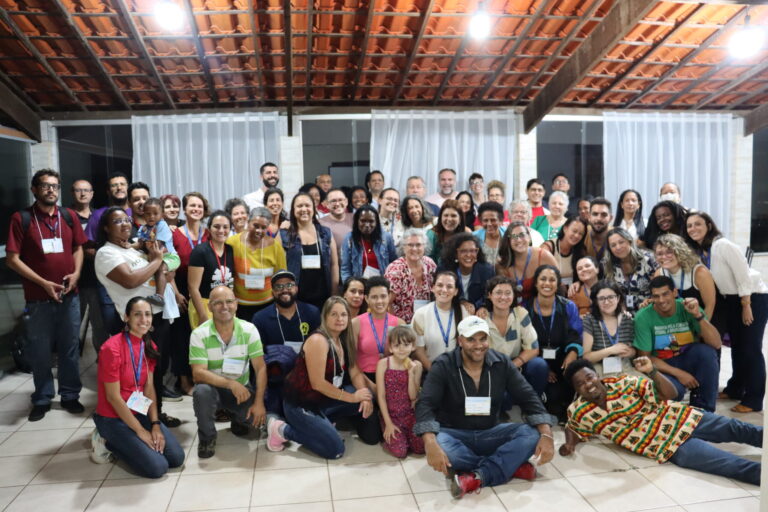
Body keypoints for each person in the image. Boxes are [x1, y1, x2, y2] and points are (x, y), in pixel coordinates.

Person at [413, 316, 555, 499]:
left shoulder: (502, 363)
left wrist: (546, 434)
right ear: (460, 340)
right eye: (471, 339)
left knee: (532, 434)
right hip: (454, 434)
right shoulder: (443, 365)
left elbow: (528, 397)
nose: (478, 345)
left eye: (483, 339)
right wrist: (430, 443)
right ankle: (510, 466)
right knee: (441, 444)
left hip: (491, 432)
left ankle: (476, 476)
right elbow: (426, 404)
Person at [561, 357, 762, 485]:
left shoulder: (625, 382)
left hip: (681, 417)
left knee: (738, 428)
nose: (588, 385)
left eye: (589, 378)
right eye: (580, 384)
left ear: (597, 375)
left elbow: (670, 394)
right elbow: (573, 427)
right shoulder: (579, 411)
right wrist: (570, 444)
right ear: (576, 390)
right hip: (666, 445)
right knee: (730, 464)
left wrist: (652, 372)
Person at [6, 169, 85, 421]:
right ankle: (42, 398)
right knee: (39, 350)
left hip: (69, 296)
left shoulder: (68, 216)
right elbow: (12, 259)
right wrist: (42, 282)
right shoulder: (22, 219)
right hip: (38, 298)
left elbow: (78, 248)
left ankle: (70, 394)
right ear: (34, 189)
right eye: (45, 185)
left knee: (70, 347)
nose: (51, 190)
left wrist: (76, 274)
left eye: (55, 186)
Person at [94, 207, 180, 427]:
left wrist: (160, 265)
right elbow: (130, 280)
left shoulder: (132, 249)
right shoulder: (106, 253)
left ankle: (155, 415)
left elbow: (160, 270)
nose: (124, 224)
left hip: (156, 317)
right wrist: (157, 261)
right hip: (136, 323)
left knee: (156, 371)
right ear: (106, 227)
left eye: (126, 220)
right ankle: (136, 419)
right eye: (117, 221)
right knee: (136, 373)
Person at [266, 296, 382, 458]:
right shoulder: (318, 340)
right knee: (335, 450)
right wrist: (351, 397)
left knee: (362, 403)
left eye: (343, 314)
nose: (339, 319)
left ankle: (321, 424)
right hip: (301, 404)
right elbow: (318, 384)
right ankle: (281, 430)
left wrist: (363, 395)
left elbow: (354, 370)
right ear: (325, 316)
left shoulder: (343, 338)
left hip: (324, 399)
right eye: (334, 314)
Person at [92, 297, 185, 477]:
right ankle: (106, 441)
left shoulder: (148, 345)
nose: (144, 320)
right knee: (157, 468)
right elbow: (113, 397)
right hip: (113, 417)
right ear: (126, 317)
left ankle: (131, 439)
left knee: (176, 458)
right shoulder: (111, 348)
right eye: (137, 314)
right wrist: (141, 431)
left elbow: (149, 388)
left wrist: (155, 424)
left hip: (138, 410)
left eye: (148, 314)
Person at [686, 212, 767, 412]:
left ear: (709, 225)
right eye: (689, 226)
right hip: (732, 299)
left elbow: (743, 273)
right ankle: (736, 389)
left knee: (750, 349)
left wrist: (746, 303)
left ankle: (754, 399)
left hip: (751, 297)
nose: (693, 229)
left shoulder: (722, 245)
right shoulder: (704, 250)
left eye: (698, 224)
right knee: (738, 347)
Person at [190, 286, 268, 458]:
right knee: (201, 392)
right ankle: (207, 437)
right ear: (209, 307)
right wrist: (230, 384)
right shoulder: (199, 333)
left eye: (229, 302)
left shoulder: (249, 330)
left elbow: (260, 367)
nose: (224, 307)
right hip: (213, 389)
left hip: (242, 390)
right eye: (218, 303)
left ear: (236, 304)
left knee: (256, 423)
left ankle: (238, 420)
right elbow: (198, 373)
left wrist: (259, 402)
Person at [633, 275, 721, 412]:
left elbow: (716, 344)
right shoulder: (643, 317)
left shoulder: (688, 307)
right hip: (663, 365)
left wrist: (698, 315)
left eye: (665, 294)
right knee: (675, 393)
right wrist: (679, 373)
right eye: (656, 296)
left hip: (688, 358)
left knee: (707, 353)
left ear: (674, 292)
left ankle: (705, 411)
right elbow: (646, 358)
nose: (661, 300)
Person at [525, 265, 582, 422]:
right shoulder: (525, 308)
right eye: (543, 279)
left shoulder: (568, 306)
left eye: (552, 280)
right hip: (536, 361)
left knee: (577, 368)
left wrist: (572, 354)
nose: (547, 283)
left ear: (557, 285)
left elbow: (575, 333)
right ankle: (534, 407)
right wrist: (546, 368)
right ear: (536, 283)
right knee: (541, 371)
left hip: (562, 359)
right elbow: (524, 342)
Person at [483, 276, 547, 397]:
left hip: (517, 364)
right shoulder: (482, 318)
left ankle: (534, 402)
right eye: (498, 293)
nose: (503, 297)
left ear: (514, 297)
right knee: (505, 399)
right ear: (489, 295)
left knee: (539, 365)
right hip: (492, 368)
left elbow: (533, 348)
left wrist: (512, 366)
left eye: (508, 293)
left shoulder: (520, 314)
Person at [228, 206, 286, 321]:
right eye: (255, 225)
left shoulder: (275, 247)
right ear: (248, 222)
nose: (259, 230)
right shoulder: (232, 243)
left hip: (267, 305)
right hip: (240, 306)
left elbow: (281, 277)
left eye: (263, 227)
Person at [281, 193, 339, 309]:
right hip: (296, 298)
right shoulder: (284, 235)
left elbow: (334, 265)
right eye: (299, 206)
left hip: (323, 296)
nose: (304, 209)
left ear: (313, 209)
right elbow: (281, 267)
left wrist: (334, 293)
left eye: (307, 205)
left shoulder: (325, 233)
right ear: (293, 210)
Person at [376, 326, 424, 458]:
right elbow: (380, 395)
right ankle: (390, 435)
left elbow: (413, 396)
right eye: (397, 345)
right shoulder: (383, 364)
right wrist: (389, 423)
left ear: (413, 346)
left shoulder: (417, 365)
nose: (402, 349)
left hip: (409, 414)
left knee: (420, 448)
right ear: (390, 348)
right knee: (401, 451)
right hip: (391, 415)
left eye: (406, 344)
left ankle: (407, 436)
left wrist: (411, 373)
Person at [71, 179, 107, 354]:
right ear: (73, 193)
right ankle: (68, 360)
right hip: (74, 279)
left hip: (97, 279)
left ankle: (102, 362)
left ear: (92, 194)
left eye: (86, 190)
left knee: (99, 326)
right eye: (78, 190)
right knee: (71, 324)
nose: (83, 193)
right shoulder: (66, 216)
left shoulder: (99, 216)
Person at [351, 276, 405, 388]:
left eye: (383, 296)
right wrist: (372, 387)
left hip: (392, 377)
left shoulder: (399, 323)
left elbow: (404, 358)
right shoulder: (356, 323)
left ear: (389, 296)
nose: (379, 301)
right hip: (365, 378)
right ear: (366, 298)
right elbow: (352, 363)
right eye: (374, 297)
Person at [188, 211, 236, 330]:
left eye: (225, 227)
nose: (221, 230)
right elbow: (192, 287)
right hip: (205, 305)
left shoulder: (231, 250)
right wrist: (202, 315)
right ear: (209, 228)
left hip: (227, 306)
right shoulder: (200, 252)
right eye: (216, 226)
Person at [252, 269, 321, 351]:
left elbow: (319, 346)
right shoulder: (260, 319)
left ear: (296, 289)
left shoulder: (312, 312)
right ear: (273, 292)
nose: (284, 290)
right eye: (278, 286)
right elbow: (258, 353)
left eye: (289, 285)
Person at [412, 271, 468, 370]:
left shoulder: (464, 313)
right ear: (432, 288)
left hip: (457, 371)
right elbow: (418, 349)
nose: (444, 290)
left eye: (449, 286)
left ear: (456, 291)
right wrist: (434, 371)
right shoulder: (421, 314)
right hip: (430, 371)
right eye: (440, 285)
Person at [653, 234, 716, 320]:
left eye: (669, 252)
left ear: (680, 252)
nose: (664, 257)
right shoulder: (659, 273)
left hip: (709, 317)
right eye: (659, 254)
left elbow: (710, 306)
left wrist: (700, 330)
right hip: (682, 321)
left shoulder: (700, 272)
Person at [582, 280, 637, 376]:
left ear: (618, 298)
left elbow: (635, 351)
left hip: (625, 367)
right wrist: (611, 350)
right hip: (599, 368)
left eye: (611, 297)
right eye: (601, 298)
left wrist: (631, 352)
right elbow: (586, 357)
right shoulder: (590, 320)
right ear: (596, 301)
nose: (606, 302)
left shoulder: (628, 319)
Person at [496, 221, 558, 305]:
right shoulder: (502, 264)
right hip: (512, 309)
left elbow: (558, 284)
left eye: (522, 235)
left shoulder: (543, 256)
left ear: (529, 237)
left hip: (540, 307)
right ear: (508, 241)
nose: (518, 240)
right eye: (514, 237)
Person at [135, 197, 180, 306]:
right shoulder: (143, 228)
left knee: (159, 268)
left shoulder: (162, 226)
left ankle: (160, 296)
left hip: (170, 257)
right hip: (155, 256)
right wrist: (129, 246)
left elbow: (157, 246)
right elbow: (139, 244)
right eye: (148, 213)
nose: (151, 216)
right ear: (143, 214)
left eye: (155, 213)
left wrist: (143, 246)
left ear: (162, 214)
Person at [384, 229, 436, 323]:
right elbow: (387, 302)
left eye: (418, 245)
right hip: (402, 326)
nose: (415, 248)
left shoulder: (430, 264)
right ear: (403, 247)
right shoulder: (396, 269)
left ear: (424, 246)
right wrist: (395, 327)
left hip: (426, 321)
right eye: (410, 245)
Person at [603, 228, 658, 313]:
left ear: (630, 241)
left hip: (650, 310)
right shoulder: (608, 265)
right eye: (613, 245)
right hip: (623, 314)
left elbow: (660, 288)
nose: (618, 247)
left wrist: (650, 302)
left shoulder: (648, 259)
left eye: (621, 242)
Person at [438, 232, 495, 314]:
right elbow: (440, 293)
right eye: (463, 251)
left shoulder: (487, 270)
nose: (468, 255)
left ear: (477, 252)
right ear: (455, 253)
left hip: (477, 314)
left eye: (472, 251)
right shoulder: (444, 269)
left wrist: (482, 306)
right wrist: (461, 302)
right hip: (450, 311)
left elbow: (489, 295)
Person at [340, 204, 398, 282]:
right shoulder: (349, 239)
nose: (367, 225)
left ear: (376, 222)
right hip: (359, 287)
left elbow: (394, 264)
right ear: (357, 221)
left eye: (371, 221)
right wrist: (349, 287)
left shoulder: (386, 238)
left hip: (382, 285)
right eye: (363, 221)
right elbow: (345, 269)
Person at [540, 216, 587, 289]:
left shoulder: (580, 250)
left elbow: (583, 275)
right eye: (574, 231)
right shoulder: (548, 247)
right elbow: (540, 275)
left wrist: (579, 283)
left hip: (572, 293)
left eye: (581, 234)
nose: (577, 236)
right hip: (550, 290)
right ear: (565, 229)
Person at [319, 188, 354, 258]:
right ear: (327, 204)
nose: (337, 204)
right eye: (333, 201)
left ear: (346, 201)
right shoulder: (320, 223)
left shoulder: (356, 219)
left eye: (340, 200)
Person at [584, 197, 613, 262]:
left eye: (604, 215)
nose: (599, 218)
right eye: (595, 214)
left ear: (610, 218)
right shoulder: (582, 233)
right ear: (589, 217)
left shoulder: (618, 236)